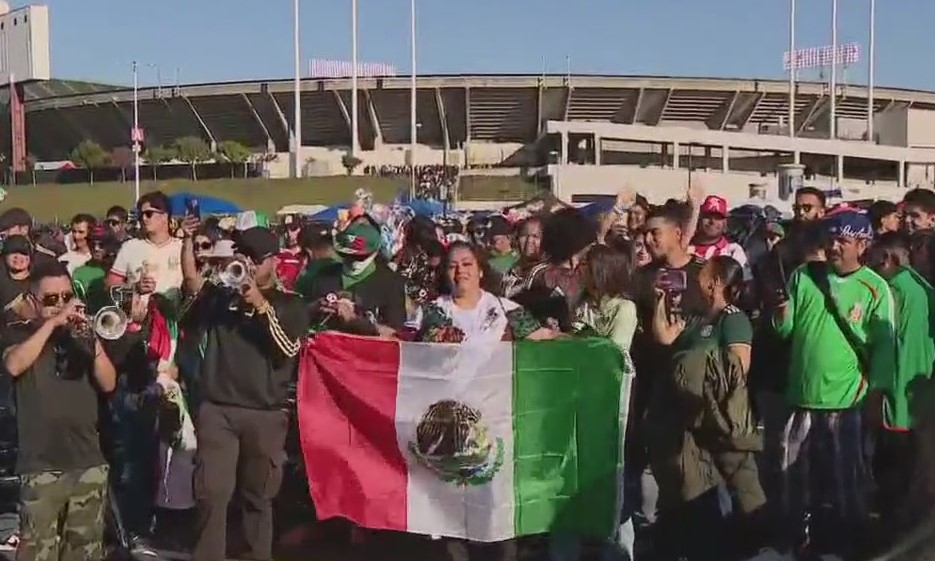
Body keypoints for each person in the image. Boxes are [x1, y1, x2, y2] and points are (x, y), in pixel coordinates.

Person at [180, 224, 308, 561]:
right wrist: (210, 286)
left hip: (265, 412)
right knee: (212, 493)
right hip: (218, 409)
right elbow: (186, 322)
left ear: (273, 261)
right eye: (243, 255)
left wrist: (260, 304)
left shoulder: (290, 303)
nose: (247, 263)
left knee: (258, 496)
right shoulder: (220, 296)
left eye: (254, 258)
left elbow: (287, 351)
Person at [773, 211, 896, 556]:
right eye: (829, 239)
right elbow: (785, 330)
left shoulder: (875, 287)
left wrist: (877, 393)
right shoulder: (804, 276)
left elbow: (885, 347)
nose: (833, 246)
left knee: (847, 482)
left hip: (846, 404)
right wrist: (779, 311)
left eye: (842, 240)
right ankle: (797, 540)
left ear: (862, 245)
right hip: (801, 397)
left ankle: (848, 544)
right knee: (791, 477)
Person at [1, 261, 117, 561]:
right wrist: (53, 323)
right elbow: (14, 364)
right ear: (32, 301)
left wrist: (94, 343)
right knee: (38, 552)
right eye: (51, 300)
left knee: (84, 552)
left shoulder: (82, 337)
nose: (62, 305)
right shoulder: (17, 334)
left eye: (67, 297)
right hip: (41, 466)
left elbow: (108, 383)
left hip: (88, 462)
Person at [866, 232, 935, 529]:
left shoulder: (895, 290)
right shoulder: (922, 288)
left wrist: (881, 391)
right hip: (919, 393)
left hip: (899, 392)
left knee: (896, 465)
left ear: (887, 259)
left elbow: (894, 346)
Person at [306, 221, 406, 336]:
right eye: (347, 255)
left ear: (375, 252)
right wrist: (315, 307)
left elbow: (395, 335)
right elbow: (301, 317)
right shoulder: (325, 275)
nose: (352, 261)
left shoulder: (391, 283)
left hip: (365, 350)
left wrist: (354, 320)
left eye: (360, 257)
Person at [0, 236, 33, 312]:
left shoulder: (39, 280)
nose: (18, 257)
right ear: (4, 256)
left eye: (23, 253)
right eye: (12, 252)